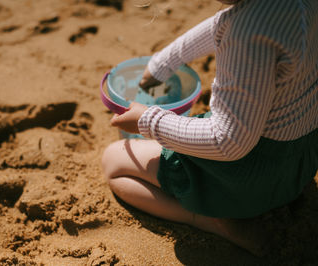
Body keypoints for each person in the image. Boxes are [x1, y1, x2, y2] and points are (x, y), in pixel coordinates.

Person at [101, 0, 318, 256]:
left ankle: (207, 219)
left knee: (113, 161)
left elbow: (228, 141)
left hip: (247, 179)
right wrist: (163, 63)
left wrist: (148, 120)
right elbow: (225, 22)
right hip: (297, 168)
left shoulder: (248, 33)